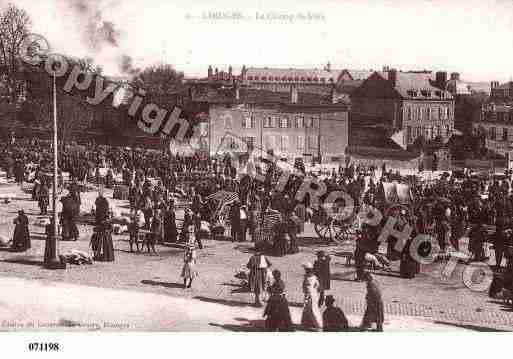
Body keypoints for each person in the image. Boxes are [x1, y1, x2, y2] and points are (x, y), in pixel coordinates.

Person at [300, 262, 323, 330]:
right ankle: (307, 323)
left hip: (310, 295)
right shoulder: (314, 276)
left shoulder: (308, 278)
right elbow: (317, 285)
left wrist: (307, 297)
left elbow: (308, 289)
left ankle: (319, 325)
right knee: (308, 309)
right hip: (314, 294)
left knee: (312, 310)